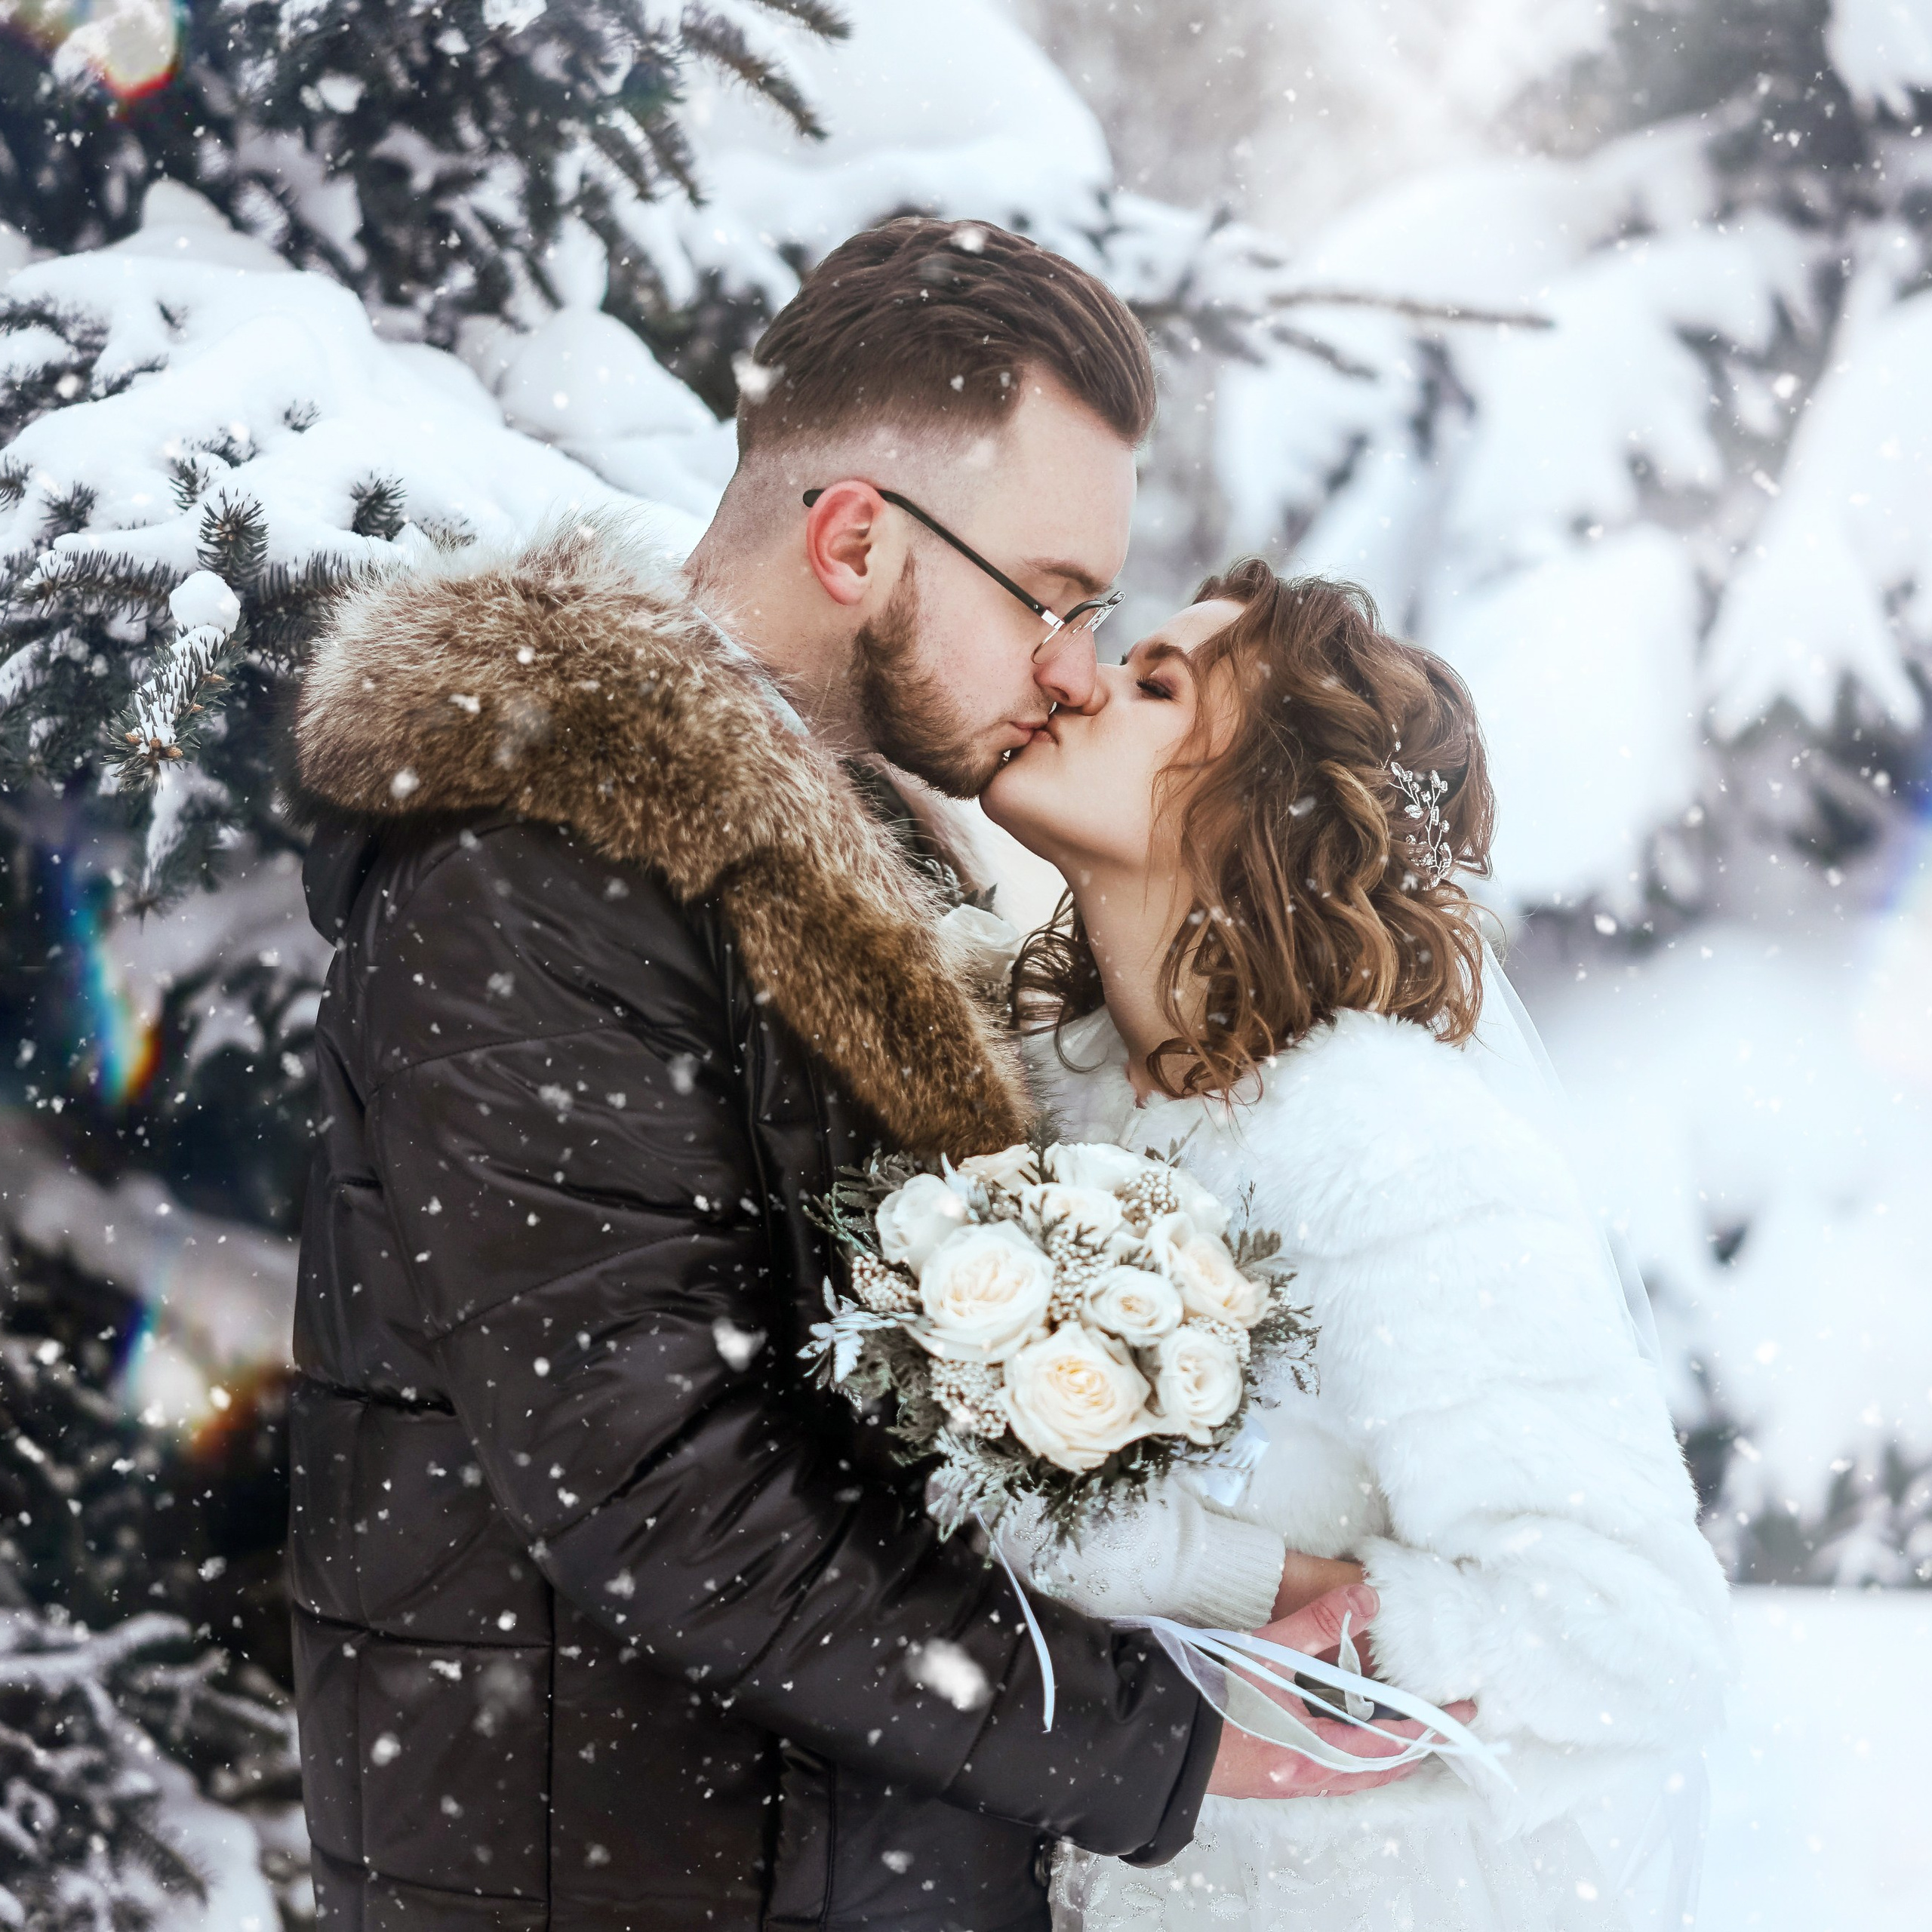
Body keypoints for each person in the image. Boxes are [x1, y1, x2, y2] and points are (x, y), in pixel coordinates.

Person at [287, 220, 1429, 1932]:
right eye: (1048, 595)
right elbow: (659, 1481)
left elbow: (925, 1447)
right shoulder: (525, 878)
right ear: (850, 539)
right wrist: (1168, 1739)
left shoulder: (876, 878)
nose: (1071, 662)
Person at [980, 562, 1734, 1930]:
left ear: (1260, 811)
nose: (1074, 678)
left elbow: (1631, 1637)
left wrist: (1292, 1609)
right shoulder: (1037, 1095)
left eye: (1157, 686)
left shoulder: (1393, 1152)